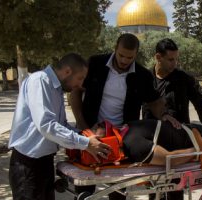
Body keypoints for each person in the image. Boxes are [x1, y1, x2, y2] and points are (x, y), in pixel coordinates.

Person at [70, 33, 178, 200]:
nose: (124, 60)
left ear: (136, 55)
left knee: (119, 189)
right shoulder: (95, 64)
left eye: (130, 57)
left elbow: (154, 102)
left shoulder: (142, 75)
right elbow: (75, 92)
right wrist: (83, 126)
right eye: (121, 55)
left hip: (121, 138)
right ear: (115, 49)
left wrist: (164, 115)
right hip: (91, 134)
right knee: (85, 188)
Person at [8, 53, 112, 200]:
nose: (80, 85)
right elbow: (46, 126)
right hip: (27, 165)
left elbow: (61, 125)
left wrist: (86, 136)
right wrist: (85, 143)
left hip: (44, 162)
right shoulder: (40, 81)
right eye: (80, 78)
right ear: (68, 71)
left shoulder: (56, 88)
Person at [142, 38, 202, 200]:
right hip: (153, 145)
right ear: (158, 57)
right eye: (170, 59)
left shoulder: (184, 79)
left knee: (176, 190)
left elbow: (201, 104)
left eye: (176, 59)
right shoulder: (145, 79)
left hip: (179, 146)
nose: (174, 63)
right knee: (154, 192)